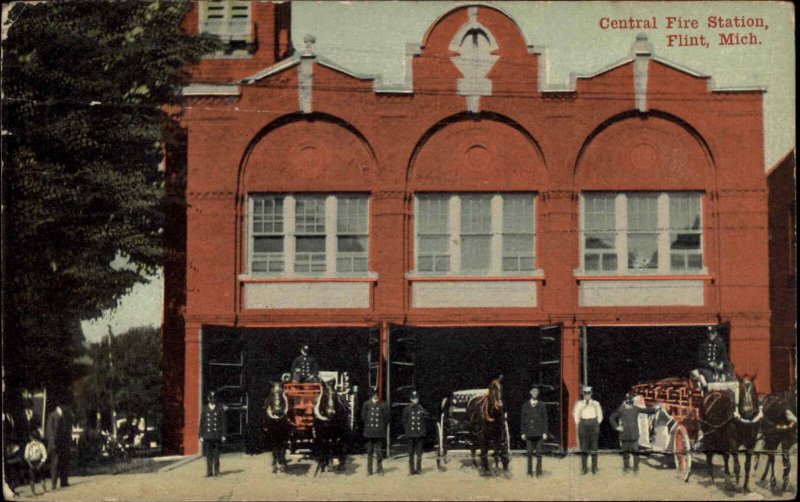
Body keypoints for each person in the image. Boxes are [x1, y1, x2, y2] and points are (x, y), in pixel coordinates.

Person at [609, 393, 661, 474]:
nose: (628, 402)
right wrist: (617, 427)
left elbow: (646, 411)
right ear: (625, 401)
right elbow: (612, 418)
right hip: (625, 434)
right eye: (627, 400)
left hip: (634, 434)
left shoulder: (635, 408)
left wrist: (656, 409)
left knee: (635, 452)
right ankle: (626, 468)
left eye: (630, 400)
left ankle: (636, 468)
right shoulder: (621, 409)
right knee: (625, 452)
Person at [691, 325, 733, 390]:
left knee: (729, 369)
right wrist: (709, 364)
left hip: (718, 366)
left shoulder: (720, 344)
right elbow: (699, 360)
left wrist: (721, 363)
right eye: (709, 333)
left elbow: (724, 357)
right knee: (708, 375)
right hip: (706, 367)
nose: (711, 335)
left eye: (712, 333)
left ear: (715, 333)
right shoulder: (703, 345)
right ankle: (709, 391)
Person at [572, 386, 602, 475]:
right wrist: (579, 423)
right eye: (585, 393)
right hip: (583, 424)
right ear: (583, 394)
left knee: (594, 446)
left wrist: (596, 423)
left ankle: (594, 468)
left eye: (589, 393)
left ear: (591, 394)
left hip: (593, 423)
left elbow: (600, 415)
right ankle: (584, 468)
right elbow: (576, 414)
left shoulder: (596, 403)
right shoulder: (579, 404)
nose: (587, 395)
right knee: (583, 447)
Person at [520, 385, 549, 477]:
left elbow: (545, 420)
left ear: (538, 393)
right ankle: (529, 472)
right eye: (533, 391)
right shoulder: (525, 406)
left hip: (539, 434)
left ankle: (539, 472)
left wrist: (545, 432)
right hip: (529, 434)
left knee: (539, 453)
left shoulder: (541, 405)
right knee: (529, 453)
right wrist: (523, 433)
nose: (535, 393)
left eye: (536, 392)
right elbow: (523, 420)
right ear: (530, 392)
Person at [44, 400, 73, 490]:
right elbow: (50, 431)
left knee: (65, 462)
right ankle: (53, 483)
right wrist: (52, 443)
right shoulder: (52, 415)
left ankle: (64, 481)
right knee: (55, 463)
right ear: (61, 406)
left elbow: (69, 430)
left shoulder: (67, 416)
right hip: (56, 444)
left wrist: (69, 441)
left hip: (64, 443)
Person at [361, 388, 389, 475]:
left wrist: (381, 427)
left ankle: (380, 469)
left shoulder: (383, 404)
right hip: (369, 432)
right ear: (370, 395)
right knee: (369, 451)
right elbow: (363, 417)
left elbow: (387, 418)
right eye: (373, 394)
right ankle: (369, 470)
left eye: (376, 393)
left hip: (379, 432)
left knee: (379, 452)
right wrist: (368, 426)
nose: (375, 395)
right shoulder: (366, 404)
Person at [199, 391, 227, 478]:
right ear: (208, 399)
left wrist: (223, 435)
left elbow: (223, 422)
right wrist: (200, 435)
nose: (212, 400)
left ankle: (217, 471)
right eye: (211, 398)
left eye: (214, 398)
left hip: (217, 435)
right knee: (208, 455)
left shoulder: (220, 408)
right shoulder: (205, 409)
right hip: (207, 435)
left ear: (216, 399)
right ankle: (209, 471)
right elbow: (202, 423)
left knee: (217, 454)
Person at [401, 390, 428, 475]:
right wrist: (407, 431)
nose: (416, 400)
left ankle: (419, 469)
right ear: (411, 399)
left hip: (419, 434)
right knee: (411, 452)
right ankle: (412, 470)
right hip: (411, 434)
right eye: (414, 398)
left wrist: (423, 431)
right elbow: (404, 421)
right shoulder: (406, 409)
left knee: (419, 452)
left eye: (417, 398)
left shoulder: (421, 408)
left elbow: (426, 419)